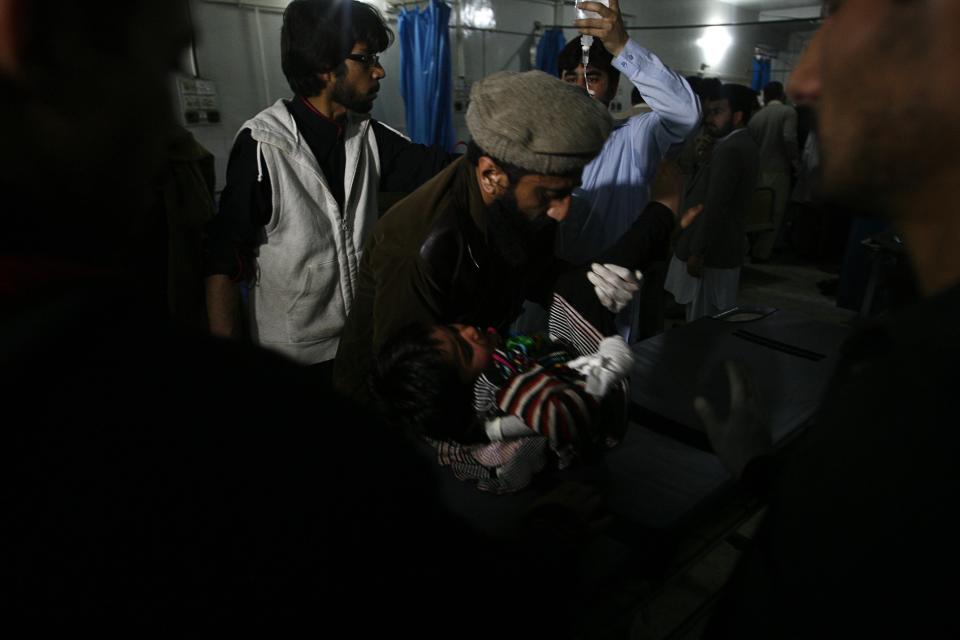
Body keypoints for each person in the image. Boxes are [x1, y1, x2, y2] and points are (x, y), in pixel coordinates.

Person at [699, 0, 960, 636]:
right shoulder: (899, 366)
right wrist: (767, 471)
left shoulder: (932, 393)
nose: (809, 78)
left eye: (845, 20)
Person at [333, 70, 642, 400]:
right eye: (550, 195)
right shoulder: (419, 245)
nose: (562, 211)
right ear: (490, 174)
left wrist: (592, 281)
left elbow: (534, 274)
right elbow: (408, 384)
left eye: (568, 192)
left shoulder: (518, 199)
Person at [371, 191, 701, 492]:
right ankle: (663, 214)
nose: (468, 331)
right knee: (581, 290)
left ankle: (662, 224)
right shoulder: (509, 392)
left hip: (557, 364)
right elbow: (566, 417)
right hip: (596, 403)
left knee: (580, 286)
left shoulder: (470, 387)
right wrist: (612, 360)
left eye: (455, 329)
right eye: (463, 348)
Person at [203, 0, 451, 384]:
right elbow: (222, 265)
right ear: (323, 66)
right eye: (366, 58)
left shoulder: (368, 136)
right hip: (290, 356)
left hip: (359, 345)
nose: (379, 70)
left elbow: (440, 171)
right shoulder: (263, 146)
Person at [552, 0, 700, 340]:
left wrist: (622, 47)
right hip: (548, 292)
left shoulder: (633, 138)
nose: (579, 88)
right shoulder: (545, 148)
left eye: (592, 78)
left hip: (608, 297)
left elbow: (685, 115)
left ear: (614, 87)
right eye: (570, 78)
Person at [664, 84, 760, 322]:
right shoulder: (738, 144)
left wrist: (698, 251)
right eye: (709, 111)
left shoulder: (732, 149)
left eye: (718, 112)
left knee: (702, 321)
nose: (709, 118)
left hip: (713, 252)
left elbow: (716, 205)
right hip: (721, 246)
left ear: (738, 117)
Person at [748, 81, 799, 261]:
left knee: (755, 213)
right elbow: (789, 137)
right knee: (774, 213)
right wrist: (795, 162)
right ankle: (762, 253)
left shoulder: (757, 117)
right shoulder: (788, 112)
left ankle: (750, 249)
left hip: (757, 170)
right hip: (778, 170)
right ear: (782, 95)